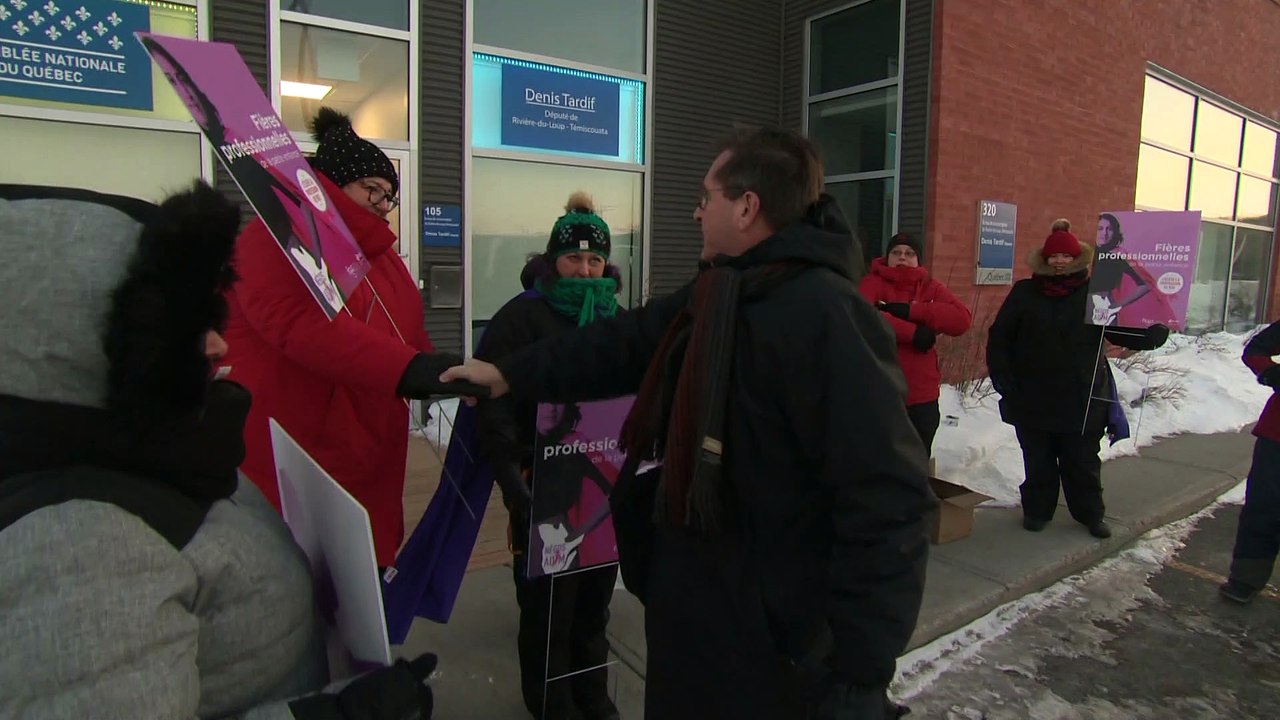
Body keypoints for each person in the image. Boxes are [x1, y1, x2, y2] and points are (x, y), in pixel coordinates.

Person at [443, 127, 936, 720]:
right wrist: (506, 374)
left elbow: (890, 501)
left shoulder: (829, 317)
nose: (697, 210)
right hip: (698, 607)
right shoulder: (723, 291)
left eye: (708, 196)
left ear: (747, 207)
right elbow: (619, 343)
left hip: (769, 641)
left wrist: (859, 676)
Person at [0, 182, 436, 718]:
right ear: (77, 342)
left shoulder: (163, 454)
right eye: (182, 326)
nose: (218, 344)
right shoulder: (74, 550)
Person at [222, 107, 467, 567]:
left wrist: (445, 372)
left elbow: (407, 331)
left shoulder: (383, 258)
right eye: (370, 188)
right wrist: (409, 370)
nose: (380, 202)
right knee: (300, 578)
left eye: (388, 194)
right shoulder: (275, 238)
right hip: (302, 446)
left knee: (361, 576)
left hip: (368, 443)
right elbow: (299, 323)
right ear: (327, 184)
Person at [474, 192, 624, 720]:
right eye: (574, 258)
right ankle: (550, 702)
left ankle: (592, 695)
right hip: (540, 481)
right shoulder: (520, 319)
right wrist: (511, 474)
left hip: (601, 485)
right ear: (551, 260)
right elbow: (493, 406)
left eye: (595, 259)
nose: (585, 270)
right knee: (547, 608)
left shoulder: (615, 319)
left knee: (594, 605)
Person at [987, 219, 1170, 540]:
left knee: (1081, 462)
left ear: (1077, 259)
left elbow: (1117, 329)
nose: (1059, 262)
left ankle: (1090, 514)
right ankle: (1037, 511)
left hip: (1082, 395)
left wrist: (1152, 334)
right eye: (1053, 256)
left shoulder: (1094, 292)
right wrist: (1003, 378)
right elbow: (1000, 336)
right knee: (1038, 460)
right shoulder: (1025, 292)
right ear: (1044, 259)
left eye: (1066, 257)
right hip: (1033, 394)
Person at [860, 232, 972, 453]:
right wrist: (911, 333)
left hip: (922, 396)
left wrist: (913, 310)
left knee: (917, 464)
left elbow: (961, 320)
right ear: (887, 257)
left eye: (909, 253)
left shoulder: (931, 287)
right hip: (881, 392)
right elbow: (862, 316)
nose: (902, 257)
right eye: (896, 252)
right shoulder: (871, 283)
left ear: (918, 259)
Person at [1219, 320, 1280, 604]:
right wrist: (1272, 373)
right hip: (1277, 438)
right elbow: (1255, 351)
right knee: (1264, 509)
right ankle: (1246, 578)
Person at [1090, 213, 1177, 327]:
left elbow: (1145, 284)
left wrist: (1117, 305)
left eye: (1109, 229)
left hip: (1102, 307)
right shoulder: (1088, 253)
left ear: (1115, 232)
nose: (1104, 233)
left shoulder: (1118, 255)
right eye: (1100, 229)